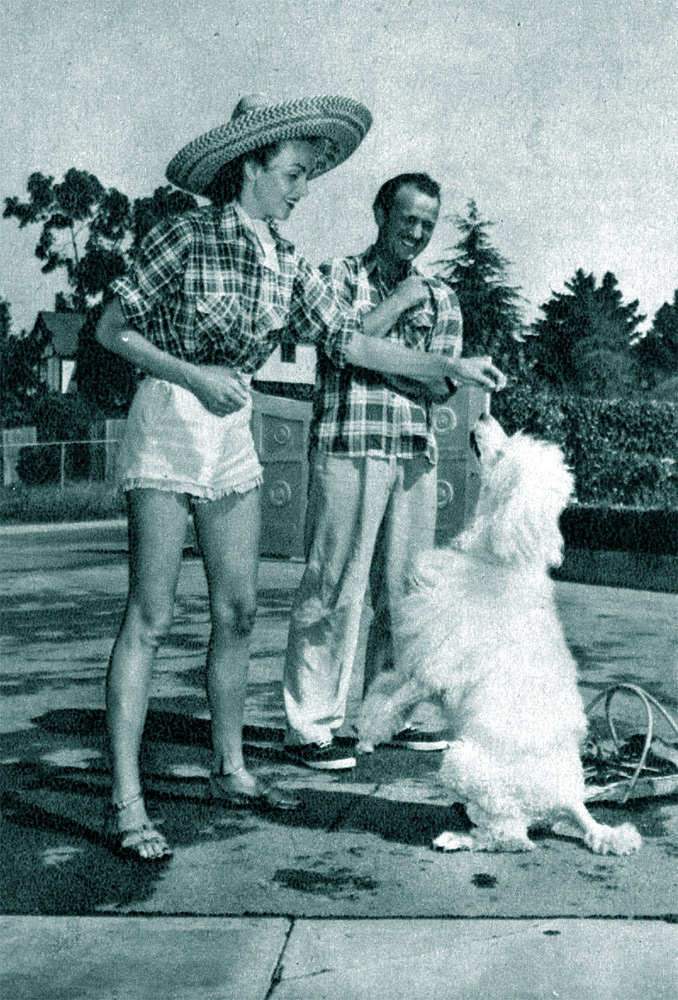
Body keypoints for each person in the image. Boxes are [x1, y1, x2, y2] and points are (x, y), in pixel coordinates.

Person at [95, 96, 500, 861]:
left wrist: (447, 366)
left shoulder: (285, 257)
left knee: (239, 613)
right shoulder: (182, 233)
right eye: (292, 172)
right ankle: (127, 799)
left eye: (308, 175)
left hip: (231, 431)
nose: (302, 187)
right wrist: (192, 372)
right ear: (248, 166)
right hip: (167, 421)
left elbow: (351, 342)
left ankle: (230, 767)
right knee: (150, 615)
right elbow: (111, 330)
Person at [283, 172, 507, 770]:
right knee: (333, 583)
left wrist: (380, 355)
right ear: (381, 213)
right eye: (407, 220)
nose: (416, 233)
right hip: (348, 441)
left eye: (427, 225)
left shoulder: (445, 296)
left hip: (412, 449)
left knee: (404, 593)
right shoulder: (336, 276)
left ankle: (386, 716)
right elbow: (341, 345)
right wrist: (398, 310)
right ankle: (310, 725)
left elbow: (439, 384)